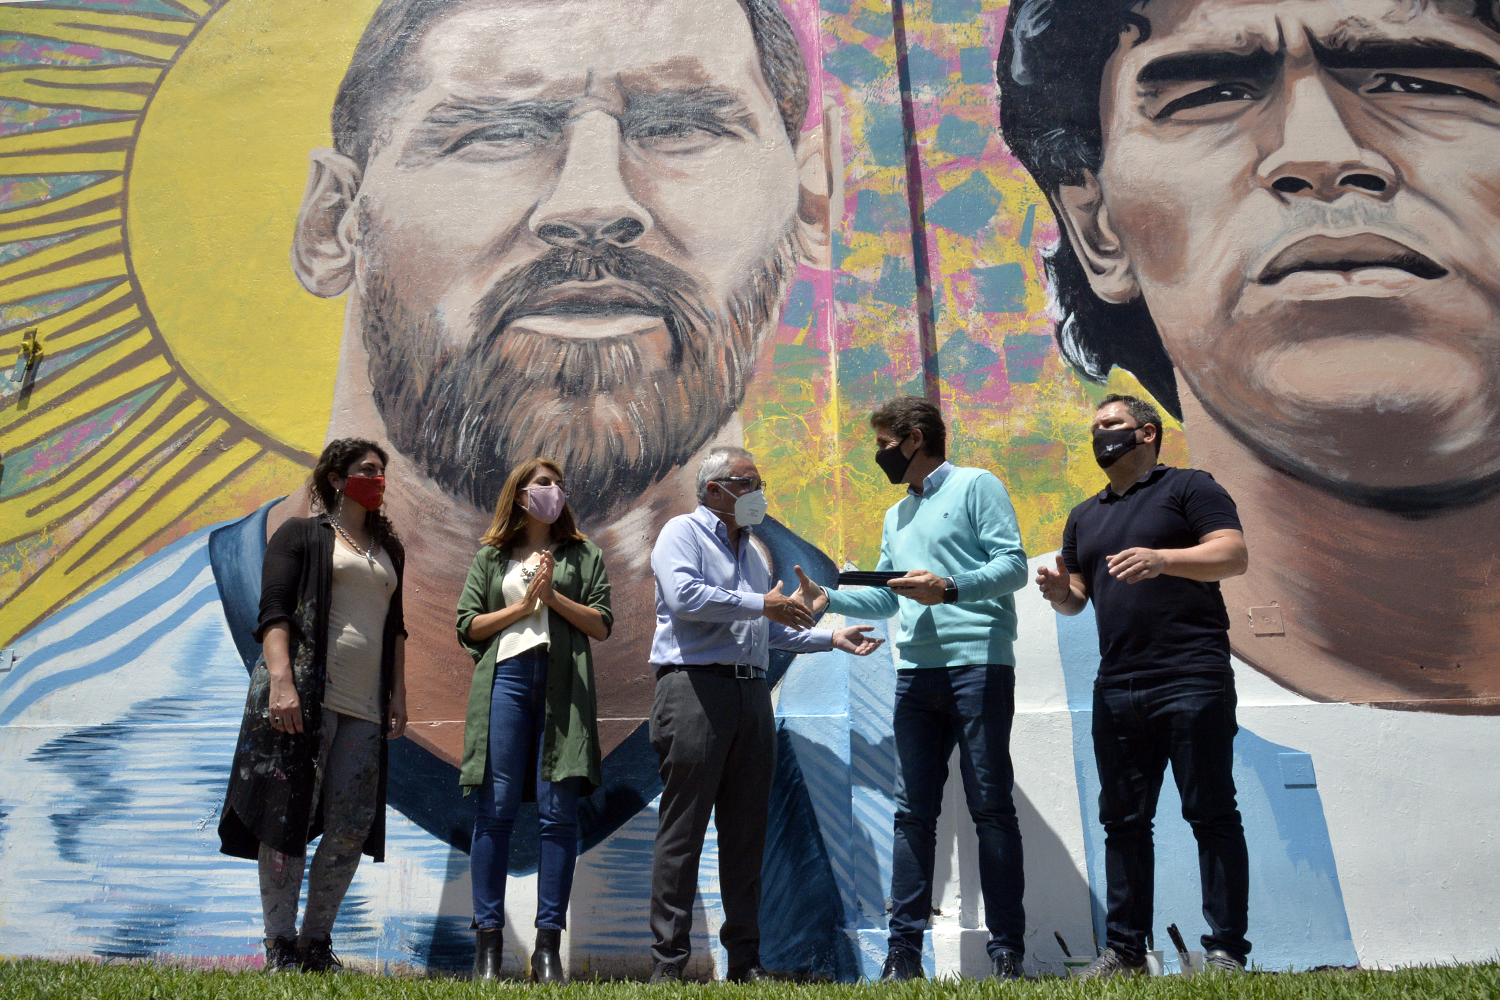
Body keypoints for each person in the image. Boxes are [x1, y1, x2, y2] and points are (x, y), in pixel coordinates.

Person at [998, 0, 1500, 709]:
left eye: (1415, 82)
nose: (1323, 154)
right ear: (1097, 228)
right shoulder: (1014, 678)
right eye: (1210, 95)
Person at [792, 396, 1030, 981]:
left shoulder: (978, 485)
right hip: (915, 673)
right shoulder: (895, 516)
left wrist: (948, 587)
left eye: (882, 444)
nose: (878, 456)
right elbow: (889, 596)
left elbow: (1015, 566)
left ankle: (1007, 952)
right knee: (911, 815)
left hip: (979, 665)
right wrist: (831, 599)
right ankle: (903, 955)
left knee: (991, 808)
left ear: (914, 438)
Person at [646, 445, 883, 983]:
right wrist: (763, 604)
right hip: (695, 690)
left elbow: (767, 629)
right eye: (747, 483)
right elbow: (686, 598)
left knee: (746, 832)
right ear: (714, 489)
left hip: (751, 695)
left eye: (759, 483)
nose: (759, 494)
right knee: (682, 830)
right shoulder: (680, 533)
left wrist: (830, 637)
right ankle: (668, 965)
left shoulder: (752, 552)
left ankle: (746, 962)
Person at [1035, 394, 1251, 978]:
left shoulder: (1189, 487)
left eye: (1112, 425)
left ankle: (1226, 949)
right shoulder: (1085, 513)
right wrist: (1059, 592)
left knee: (1210, 812)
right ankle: (1126, 952)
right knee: (1123, 820)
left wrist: (1164, 559)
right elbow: (1077, 597)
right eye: (1095, 427)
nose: (1100, 435)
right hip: (1118, 684)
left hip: (1192, 674)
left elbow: (1233, 555)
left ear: (1147, 433)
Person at [217, 438, 408, 974]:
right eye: (367, 470)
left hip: (363, 709)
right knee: (287, 818)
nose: (378, 479)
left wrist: (398, 693)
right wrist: (281, 681)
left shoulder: (389, 550)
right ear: (335, 477)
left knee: (351, 824)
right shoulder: (300, 534)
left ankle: (315, 943)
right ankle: (278, 944)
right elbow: (273, 612)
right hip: (304, 700)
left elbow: (395, 629)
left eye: (381, 472)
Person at [455, 458, 612, 983]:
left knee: (557, 813)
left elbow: (602, 623)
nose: (555, 491)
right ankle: (488, 951)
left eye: (559, 483)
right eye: (544, 483)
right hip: (507, 679)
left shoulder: (582, 553)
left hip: (564, 682)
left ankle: (547, 950)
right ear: (519, 494)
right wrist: (523, 608)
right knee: (495, 809)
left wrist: (553, 597)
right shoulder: (492, 556)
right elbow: (469, 626)